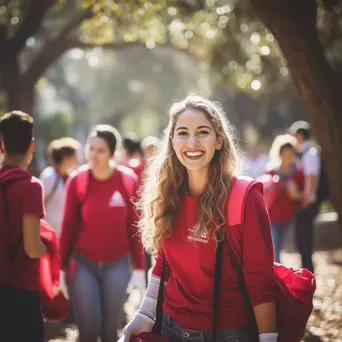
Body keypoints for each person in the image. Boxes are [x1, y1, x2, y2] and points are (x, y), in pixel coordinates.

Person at [123, 95, 277, 342]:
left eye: (202, 132)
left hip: (228, 334)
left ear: (218, 141)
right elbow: (163, 264)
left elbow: (260, 281)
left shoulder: (245, 196)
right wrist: (144, 315)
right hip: (170, 328)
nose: (192, 142)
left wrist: (269, 338)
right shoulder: (167, 194)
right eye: (182, 133)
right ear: (172, 141)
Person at [57, 125, 145, 342]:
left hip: (118, 264)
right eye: (91, 148)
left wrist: (140, 269)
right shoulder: (78, 181)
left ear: (112, 153)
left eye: (101, 150)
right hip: (83, 263)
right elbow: (68, 227)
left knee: (110, 331)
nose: (93, 155)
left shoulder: (127, 180)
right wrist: (60, 270)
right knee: (89, 329)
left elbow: (136, 225)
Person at [0, 111, 47, 342]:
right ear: (31, 146)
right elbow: (31, 247)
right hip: (22, 289)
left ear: (1, 146)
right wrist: (47, 247)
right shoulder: (31, 186)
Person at [265, 135, 304, 263]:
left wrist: (296, 194)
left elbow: (302, 195)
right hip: (273, 217)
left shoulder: (298, 172)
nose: (288, 156)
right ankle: (276, 279)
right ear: (279, 154)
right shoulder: (271, 171)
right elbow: (264, 192)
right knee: (275, 251)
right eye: (285, 153)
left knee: (290, 250)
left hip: (290, 218)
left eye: (290, 153)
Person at [290, 121, 321, 273]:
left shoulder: (310, 154)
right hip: (305, 202)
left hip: (308, 204)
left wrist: (306, 199)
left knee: (304, 240)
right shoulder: (305, 153)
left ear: (300, 135)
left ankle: (308, 272)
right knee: (301, 240)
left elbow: (312, 177)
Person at [39, 137, 80, 236]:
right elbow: (40, 204)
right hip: (49, 233)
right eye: (74, 155)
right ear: (66, 157)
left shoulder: (72, 176)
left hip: (65, 233)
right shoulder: (49, 176)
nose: (76, 159)